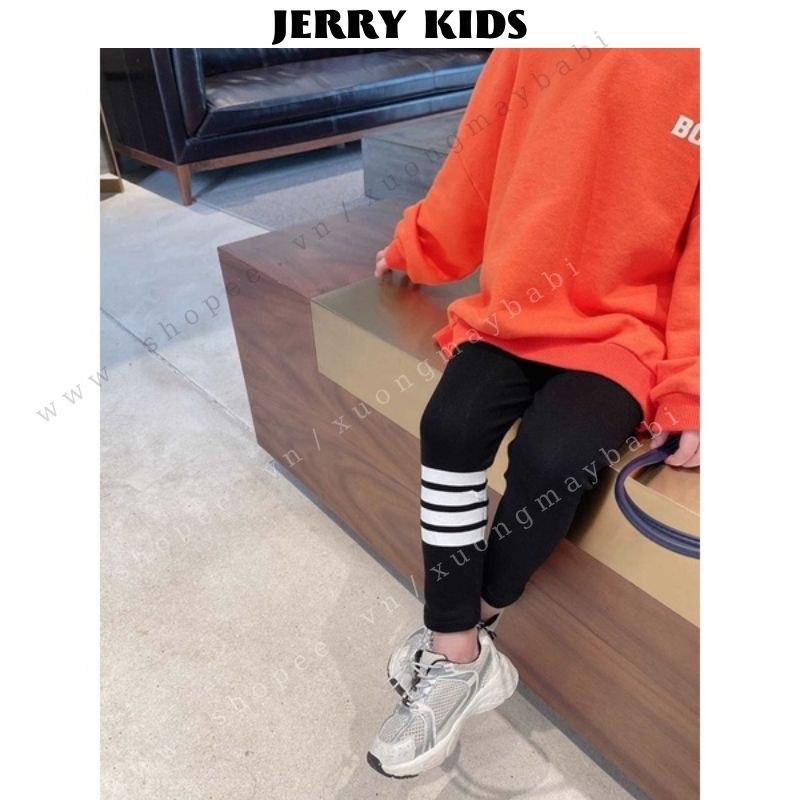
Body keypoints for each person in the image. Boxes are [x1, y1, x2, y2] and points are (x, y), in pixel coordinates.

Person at [366, 47, 700, 779]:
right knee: (449, 427)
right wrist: (415, 246)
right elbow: (475, 161)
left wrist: (693, 386)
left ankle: (470, 629)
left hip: (627, 329)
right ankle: (457, 653)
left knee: (555, 458)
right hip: (516, 308)